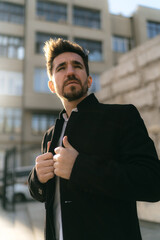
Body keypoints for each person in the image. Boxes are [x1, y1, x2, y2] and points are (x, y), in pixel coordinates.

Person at [28, 38, 160, 240]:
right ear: (52, 85)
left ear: (89, 80)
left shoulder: (122, 117)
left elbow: (152, 183)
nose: (70, 71)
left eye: (77, 66)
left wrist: (80, 167)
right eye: (61, 68)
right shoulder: (50, 135)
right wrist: (37, 178)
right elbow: (44, 194)